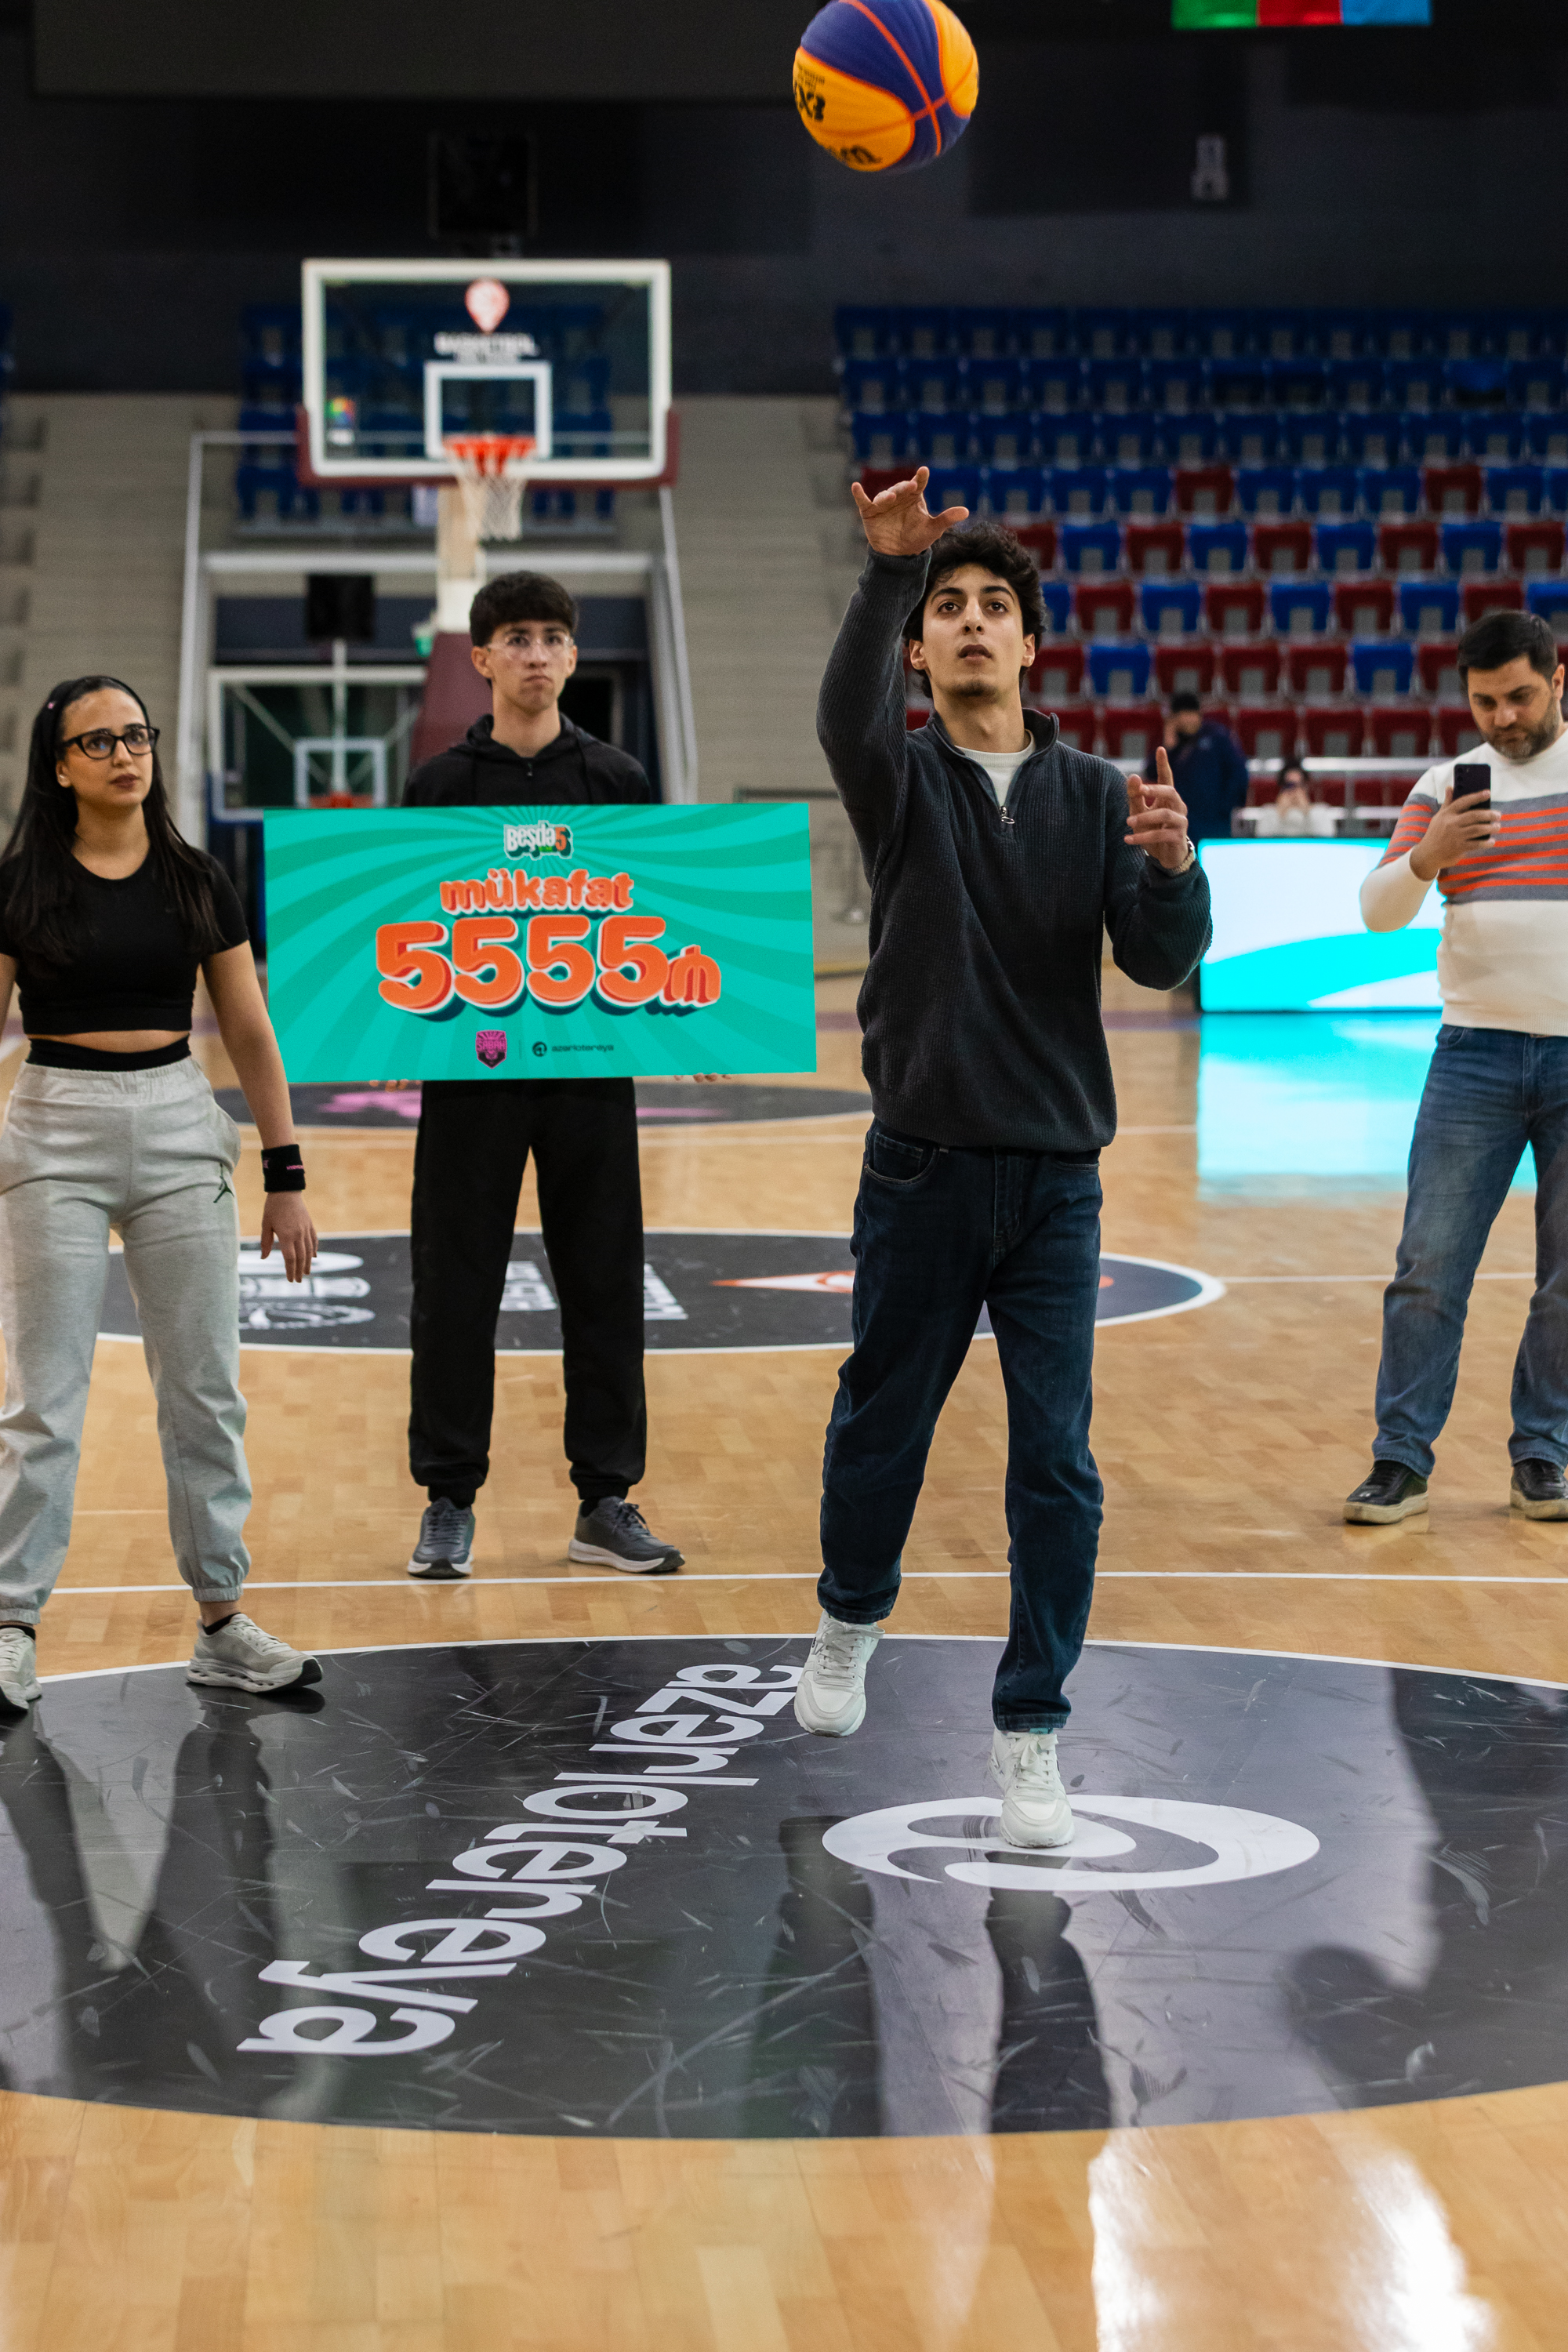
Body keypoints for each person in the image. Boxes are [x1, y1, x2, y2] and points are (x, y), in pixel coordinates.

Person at [792, 475, 1211, 1846]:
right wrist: (885, 571)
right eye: (947, 610)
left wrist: (1176, 872)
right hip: (919, 1170)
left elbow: (1158, 960)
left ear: (1032, 643)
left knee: (1059, 1467)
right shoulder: (899, 778)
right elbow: (839, 715)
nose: (970, 623)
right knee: (882, 1427)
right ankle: (851, 1615)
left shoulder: (1098, 795)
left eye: (993, 608)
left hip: (1055, 1185)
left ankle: (1030, 1726)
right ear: (919, 650)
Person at [0, 677, 320, 1719]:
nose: (124, 753)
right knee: (44, 1399)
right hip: (54, 1123)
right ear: (60, 765)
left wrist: (286, 1175)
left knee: (205, 1392)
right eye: (98, 741)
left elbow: (250, 1029)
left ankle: (223, 1623)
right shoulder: (19, 883)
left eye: (135, 735)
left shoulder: (196, 877)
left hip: (180, 1122)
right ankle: (10, 1623)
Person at [400, 570, 684, 1579]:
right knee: (453, 1283)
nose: (535, 653)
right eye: (515, 637)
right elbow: (402, 924)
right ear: (480, 657)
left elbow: (657, 918)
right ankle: (447, 1499)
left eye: (551, 637)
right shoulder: (438, 786)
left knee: (605, 1281)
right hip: (468, 1074)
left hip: (588, 1072)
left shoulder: (617, 779)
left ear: (571, 655)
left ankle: (604, 1500)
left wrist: (688, 1023)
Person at [1345, 608, 1568, 1526]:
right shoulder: (1443, 786)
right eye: (1484, 702)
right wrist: (1426, 856)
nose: (1502, 718)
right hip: (1472, 1055)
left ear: (1557, 681)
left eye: (1518, 696)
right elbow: (1375, 912)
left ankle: (1544, 1453)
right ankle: (1399, 1460)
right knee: (1427, 1269)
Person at [1166, 690, 1250, 842]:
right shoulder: (1173, 745)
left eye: (1192, 714)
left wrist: (1226, 807)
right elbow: (1153, 772)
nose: (1189, 720)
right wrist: (1169, 748)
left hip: (1216, 819)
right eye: (1183, 716)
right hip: (1183, 819)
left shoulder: (1217, 736)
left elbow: (1239, 773)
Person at [1254, 761, 1335, 838]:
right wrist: (1281, 812)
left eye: (1299, 786)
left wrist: (1306, 811)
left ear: (1306, 787)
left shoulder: (1321, 812)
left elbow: (1327, 838)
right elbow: (1262, 838)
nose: (1294, 791)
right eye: (1289, 786)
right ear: (1281, 789)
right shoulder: (1268, 813)